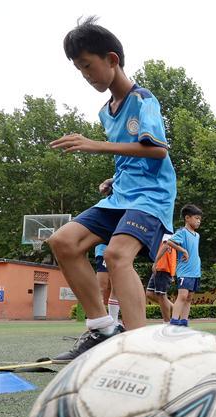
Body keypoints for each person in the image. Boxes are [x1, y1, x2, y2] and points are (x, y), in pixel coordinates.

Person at [48, 18, 176, 362]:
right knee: (63, 242)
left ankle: (139, 349)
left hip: (151, 196)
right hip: (122, 195)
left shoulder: (143, 100)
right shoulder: (106, 112)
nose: (86, 75)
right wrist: (114, 180)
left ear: (112, 59)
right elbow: (127, 157)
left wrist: (96, 146)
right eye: (80, 70)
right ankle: (102, 328)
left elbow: (157, 150)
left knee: (116, 255)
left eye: (88, 66)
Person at [166, 205, 202, 327]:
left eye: (200, 219)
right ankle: (174, 322)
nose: (198, 221)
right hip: (184, 270)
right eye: (196, 218)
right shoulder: (182, 232)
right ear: (187, 218)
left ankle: (184, 322)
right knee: (182, 295)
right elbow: (170, 242)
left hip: (195, 270)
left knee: (189, 297)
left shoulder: (197, 235)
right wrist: (183, 250)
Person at [147, 233, 176, 322]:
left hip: (163, 267)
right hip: (160, 267)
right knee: (149, 293)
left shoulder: (166, 231)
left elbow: (166, 245)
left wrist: (155, 262)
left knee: (161, 295)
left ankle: (167, 322)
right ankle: (176, 309)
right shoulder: (161, 232)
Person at [93, 242, 120, 324]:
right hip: (104, 250)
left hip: (119, 252)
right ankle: (98, 320)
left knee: (116, 288)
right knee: (101, 288)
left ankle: (114, 321)